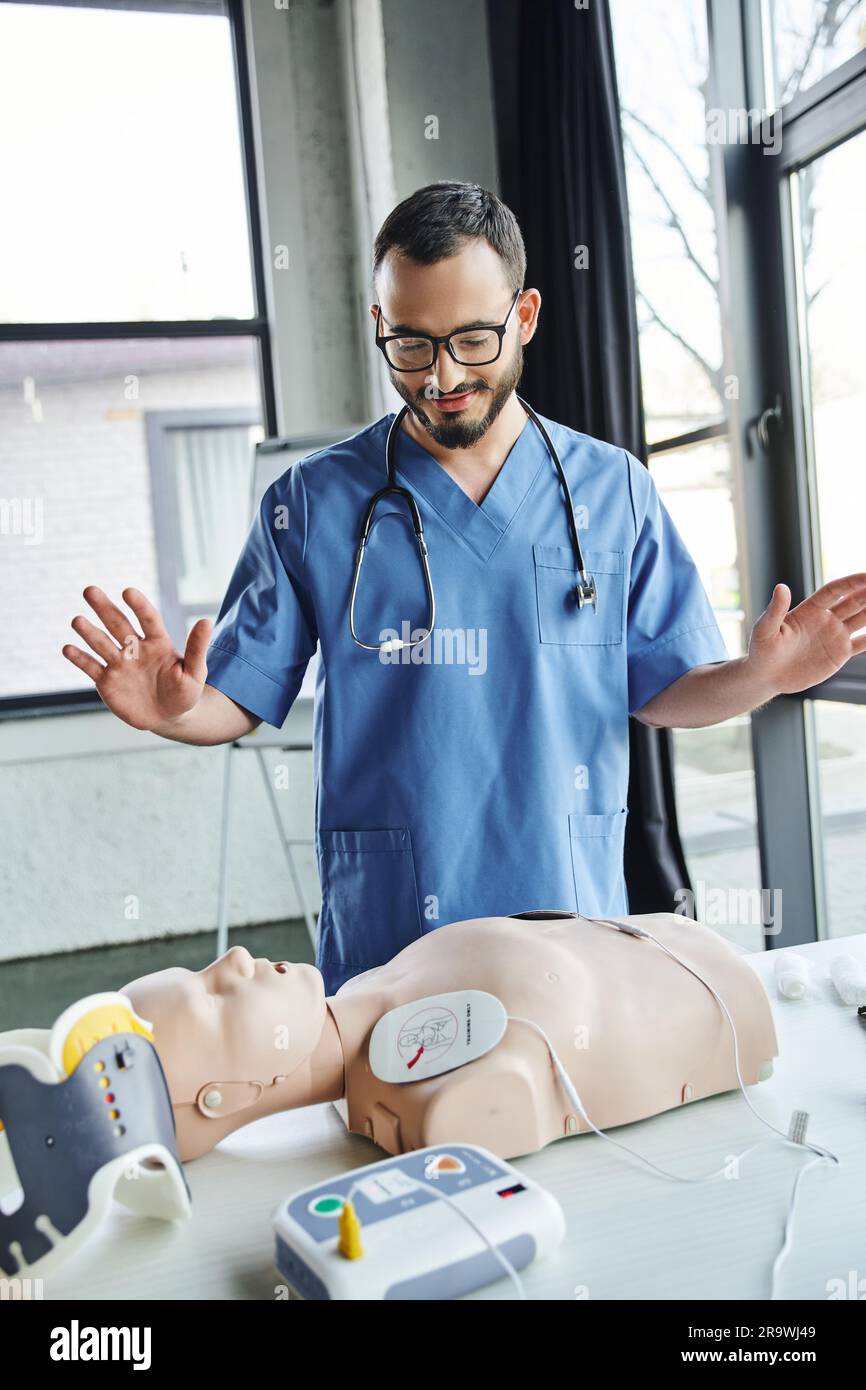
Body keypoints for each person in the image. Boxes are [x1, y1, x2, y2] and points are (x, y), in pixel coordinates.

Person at [62, 182, 866, 994]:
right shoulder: (311, 503)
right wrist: (176, 711)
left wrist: (762, 676)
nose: (442, 375)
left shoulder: (613, 491)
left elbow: (665, 691)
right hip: (394, 933)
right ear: (380, 326)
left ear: (524, 317)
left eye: (473, 339)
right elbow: (235, 694)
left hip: (570, 919)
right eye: (411, 344)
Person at [120, 911, 779, 1163]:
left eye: (203, 971)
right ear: (218, 1098)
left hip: (697, 955)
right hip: (730, 1003)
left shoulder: (370, 989)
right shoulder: (442, 1104)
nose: (231, 960)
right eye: (209, 996)